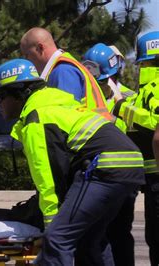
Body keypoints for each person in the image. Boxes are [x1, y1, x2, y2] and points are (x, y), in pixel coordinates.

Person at [0, 58, 144, 265]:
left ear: (18, 94)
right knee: (90, 239)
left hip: (106, 168)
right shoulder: (56, 102)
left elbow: (49, 181)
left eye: (0, 97)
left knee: (57, 239)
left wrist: (50, 224)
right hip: (130, 163)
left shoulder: (36, 117)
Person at [82, 43, 138, 266]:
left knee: (116, 234)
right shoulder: (84, 97)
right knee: (105, 235)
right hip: (104, 177)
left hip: (116, 178)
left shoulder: (128, 98)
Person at [111, 30, 159, 265]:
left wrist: (122, 107)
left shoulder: (157, 85)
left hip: (158, 177)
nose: (140, 68)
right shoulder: (147, 89)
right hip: (151, 179)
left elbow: (154, 122)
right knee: (153, 239)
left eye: (144, 63)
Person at [20, 27, 112, 120]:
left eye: (27, 55)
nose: (26, 61)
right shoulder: (61, 68)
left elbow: (65, 118)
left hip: (90, 132)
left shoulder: (63, 70)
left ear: (40, 48)